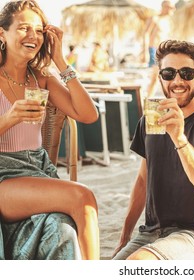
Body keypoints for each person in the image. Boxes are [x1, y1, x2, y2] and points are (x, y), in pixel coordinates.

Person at [112, 39, 194, 260]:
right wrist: (124, 236)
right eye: (169, 73)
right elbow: (142, 181)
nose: (177, 81)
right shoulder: (149, 120)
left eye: (186, 73)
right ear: (160, 79)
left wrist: (179, 137)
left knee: (138, 263)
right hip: (150, 232)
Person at [0, 1, 100, 260]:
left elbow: (88, 114)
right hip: (3, 176)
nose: (33, 36)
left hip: (37, 171)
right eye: (23, 28)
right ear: (2, 33)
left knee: (62, 229)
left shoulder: (40, 78)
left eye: (39, 30)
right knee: (82, 197)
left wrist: (61, 61)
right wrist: (9, 119)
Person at [143, 0, 175, 97]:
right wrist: (145, 51)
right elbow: (146, 34)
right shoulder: (154, 19)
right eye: (170, 7)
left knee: (161, 76)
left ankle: (150, 97)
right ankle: (149, 98)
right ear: (164, 7)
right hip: (154, 50)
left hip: (165, 51)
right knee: (156, 76)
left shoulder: (168, 22)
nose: (173, 9)